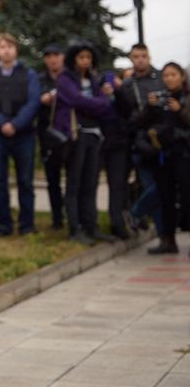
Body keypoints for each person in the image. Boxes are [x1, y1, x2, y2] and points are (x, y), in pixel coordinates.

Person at [0, 33, 41, 236]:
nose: (6, 51)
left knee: (25, 181)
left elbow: (33, 102)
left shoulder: (28, 74)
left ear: (16, 50)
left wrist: (15, 124)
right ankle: (4, 224)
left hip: (23, 135)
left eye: (10, 47)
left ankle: (26, 225)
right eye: (2, 47)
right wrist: (2, 123)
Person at [53, 41, 117, 245]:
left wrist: (95, 103)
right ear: (73, 59)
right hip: (75, 135)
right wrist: (97, 103)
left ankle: (91, 226)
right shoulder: (65, 79)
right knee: (74, 183)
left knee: (90, 183)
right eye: (81, 57)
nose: (86, 61)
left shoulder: (94, 80)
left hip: (94, 135)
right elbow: (76, 100)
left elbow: (106, 106)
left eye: (88, 57)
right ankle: (75, 229)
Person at [136, 62, 190, 255]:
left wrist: (180, 110)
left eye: (173, 75)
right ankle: (168, 241)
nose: (169, 79)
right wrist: (150, 107)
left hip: (184, 155)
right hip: (163, 155)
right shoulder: (160, 99)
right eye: (166, 75)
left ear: (181, 77)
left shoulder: (186, 98)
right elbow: (140, 123)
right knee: (165, 198)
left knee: (187, 197)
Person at [116, 44, 165, 234]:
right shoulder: (128, 85)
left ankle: (137, 214)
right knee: (151, 186)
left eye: (143, 56)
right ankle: (161, 234)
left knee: (163, 186)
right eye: (136, 56)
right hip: (141, 142)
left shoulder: (162, 77)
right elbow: (128, 117)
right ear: (131, 59)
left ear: (149, 57)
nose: (140, 60)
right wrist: (148, 110)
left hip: (164, 138)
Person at [36, 45, 67, 230]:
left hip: (68, 133)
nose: (53, 59)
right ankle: (57, 218)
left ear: (62, 57)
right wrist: (43, 100)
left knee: (74, 177)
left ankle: (73, 213)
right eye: (48, 56)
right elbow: (33, 101)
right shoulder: (39, 80)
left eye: (56, 55)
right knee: (52, 178)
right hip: (47, 133)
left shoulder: (70, 78)